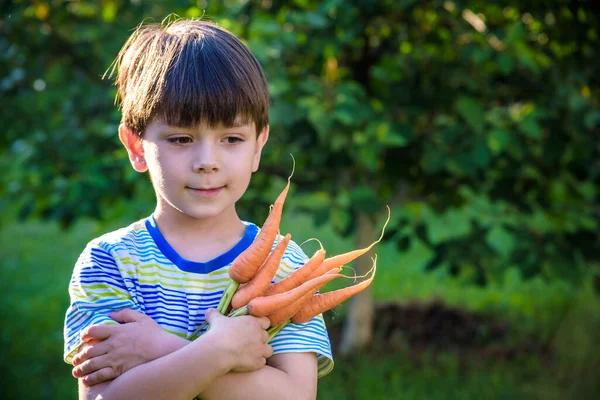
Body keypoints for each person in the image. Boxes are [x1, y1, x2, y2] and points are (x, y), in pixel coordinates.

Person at [63, 17, 333, 400]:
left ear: (258, 146)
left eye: (231, 138)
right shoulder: (111, 261)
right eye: (182, 138)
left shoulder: (285, 264)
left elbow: (294, 396)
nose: (207, 161)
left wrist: (160, 348)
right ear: (136, 147)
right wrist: (220, 351)